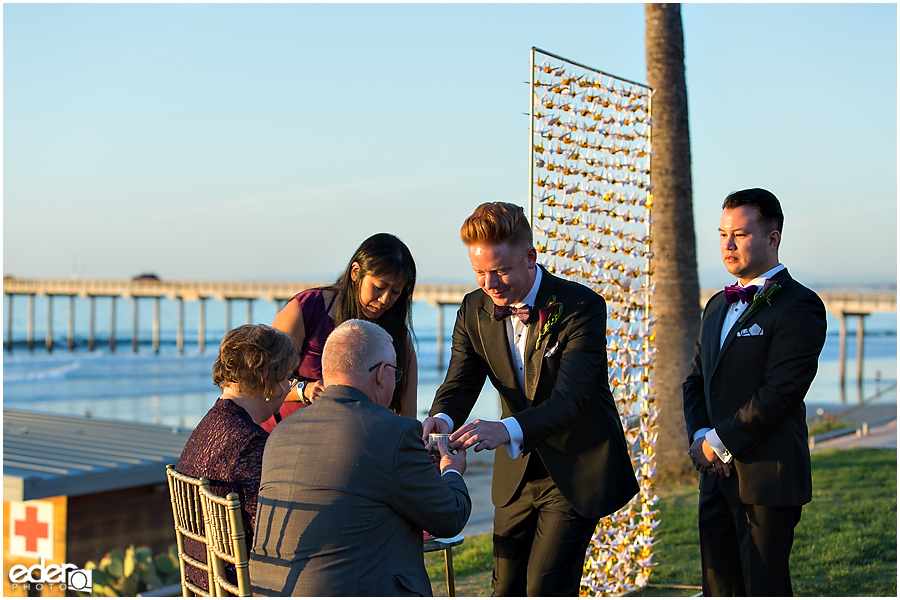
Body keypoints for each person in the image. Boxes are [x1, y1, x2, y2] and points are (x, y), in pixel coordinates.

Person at [422, 202, 639, 596]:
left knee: (545, 587)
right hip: (516, 475)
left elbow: (570, 401)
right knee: (504, 588)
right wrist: (442, 417)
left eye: (501, 270)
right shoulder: (474, 309)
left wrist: (502, 430)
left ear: (530, 257)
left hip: (575, 466)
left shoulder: (581, 308)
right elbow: (460, 381)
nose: (490, 283)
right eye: (479, 272)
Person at [249, 319, 471, 596]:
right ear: (382, 373)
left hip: (271, 589)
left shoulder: (280, 431)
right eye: (395, 374)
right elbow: (449, 518)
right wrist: (452, 471)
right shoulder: (394, 431)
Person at [683, 188, 827, 596]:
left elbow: (780, 393)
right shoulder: (714, 305)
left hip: (767, 477)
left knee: (763, 587)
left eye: (741, 234)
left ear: (773, 238)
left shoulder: (800, 305)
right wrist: (700, 440)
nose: (728, 245)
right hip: (714, 476)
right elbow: (695, 382)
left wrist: (718, 442)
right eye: (723, 233)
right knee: (718, 588)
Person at [176, 324, 300, 593]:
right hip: (238, 588)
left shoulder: (206, 427)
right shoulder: (250, 443)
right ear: (267, 377)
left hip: (202, 580)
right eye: (288, 377)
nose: (289, 387)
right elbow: (274, 535)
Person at [260, 232, 418, 432]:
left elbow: (407, 416)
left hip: (354, 447)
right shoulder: (306, 310)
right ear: (355, 272)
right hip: (282, 438)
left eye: (396, 291)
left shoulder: (399, 337)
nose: (385, 299)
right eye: (379, 287)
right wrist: (304, 389)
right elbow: (264, 378)